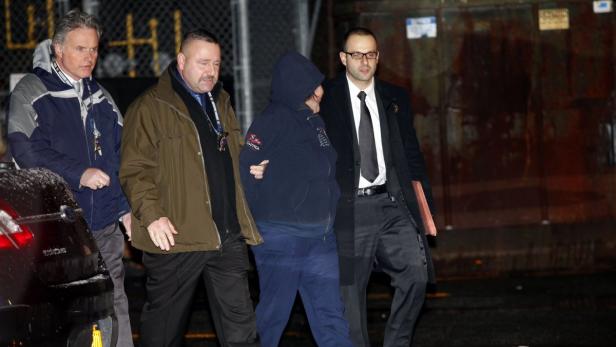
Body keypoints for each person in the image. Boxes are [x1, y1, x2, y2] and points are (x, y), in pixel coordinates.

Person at [119, 29, 263, 347]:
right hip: (177, 236)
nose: (211, 70)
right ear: (181, 61)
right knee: (163, 331)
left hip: (226, 235)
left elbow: (228, 156)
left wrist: (250, 167)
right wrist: (152, 215)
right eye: (202, 62)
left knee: (242, 329)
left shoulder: (221, 101)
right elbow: (134, 170)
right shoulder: (149, 108)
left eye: (216, 63)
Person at [6, 10, 133, 347]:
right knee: (60, 316)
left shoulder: (101, 98)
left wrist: (124, 208)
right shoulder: (31, 92)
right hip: (56, 227)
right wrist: (79, 173)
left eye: (93, 49)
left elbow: (118, 158)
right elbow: (25, 153)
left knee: (114, 303)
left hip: (103, 224)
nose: (89, 57)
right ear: (58, 49)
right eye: (80, 49)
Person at [319, 27, 436, 347]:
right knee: (350, 297)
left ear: (378, 57)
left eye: (370, 54)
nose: (364, 61)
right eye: (356, 54)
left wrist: (424, 206)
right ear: (343, 58)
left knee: (416, 274)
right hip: (349, 207)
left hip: (391, 203)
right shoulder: (325, 98)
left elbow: (411, 153)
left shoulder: (394, 97)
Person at [239, 52, 354, 347]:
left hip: (320, 237)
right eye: (315, 85)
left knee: (331, 317)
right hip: (282, 238)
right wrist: (260, 228)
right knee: (272, 318)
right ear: (299, 86)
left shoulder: (314, 122)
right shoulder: (271, 120)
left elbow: (323, 169)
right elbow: (248, 170)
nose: (322, 92)